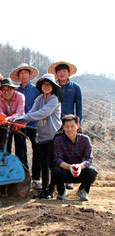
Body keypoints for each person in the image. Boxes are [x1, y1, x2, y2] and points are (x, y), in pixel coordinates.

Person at [14, 74, 63, 198]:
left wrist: (25, 118)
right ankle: (45, 190)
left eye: (48, 85)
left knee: (52, 165)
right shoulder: (39, 98)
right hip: (42, 136)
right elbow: (32, 111)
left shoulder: (54, 99)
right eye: (44, 85)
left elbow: (43, 113)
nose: (46, 87)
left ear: (53, 86)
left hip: (54, 136)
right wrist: (21, 119)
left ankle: (52, 190)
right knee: (44, 164)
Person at [48, 61, 82, 190]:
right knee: (55, 151)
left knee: (71, 152)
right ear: (56, 74)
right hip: (55, 123)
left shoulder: (75, 87)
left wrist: (78, 123)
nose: (62, 73)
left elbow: (79, 107)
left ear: (68, 73)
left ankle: (71, 179)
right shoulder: (52, 87)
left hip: (70, 124)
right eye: (59, 71)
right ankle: (55, 180)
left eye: (64, 71)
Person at [51, 115, 97, 201]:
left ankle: (82, 190)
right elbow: (57, 159)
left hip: (80, 170)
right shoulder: (59, 139)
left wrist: (79, 166)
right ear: (63, 127)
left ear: (78, 126)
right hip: (65, 170)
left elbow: (89, 159)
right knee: (55, 171)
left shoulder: (85, 139)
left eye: (72, 126)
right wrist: (70, 167)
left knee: (92, 172)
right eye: (67, 127)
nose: (70, 129)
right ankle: (61, 192)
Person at [10, 63, 41, 189]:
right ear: (18, 76)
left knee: (37, 149)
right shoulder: (15, 91)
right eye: (21, 73)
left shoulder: (36, 90)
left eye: (25, 73)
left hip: (34, 124)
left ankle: (36, 178)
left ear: (29, 75)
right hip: (20, 125)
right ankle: (23, 175)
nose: (23, 75)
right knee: (20, 150)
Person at [0, 78, 26, 165]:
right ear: (0, 91)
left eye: (9, 90)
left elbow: (20, 113)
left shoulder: (20, 97)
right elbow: (0, 114)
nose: (6, 92)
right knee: (5, 150)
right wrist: (4, 119)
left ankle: (24, 172)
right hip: (5, 126)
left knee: (21, 151)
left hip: (19, 125)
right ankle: (7, 170)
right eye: (4, 90)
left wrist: (7, 119)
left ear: (13, 89)